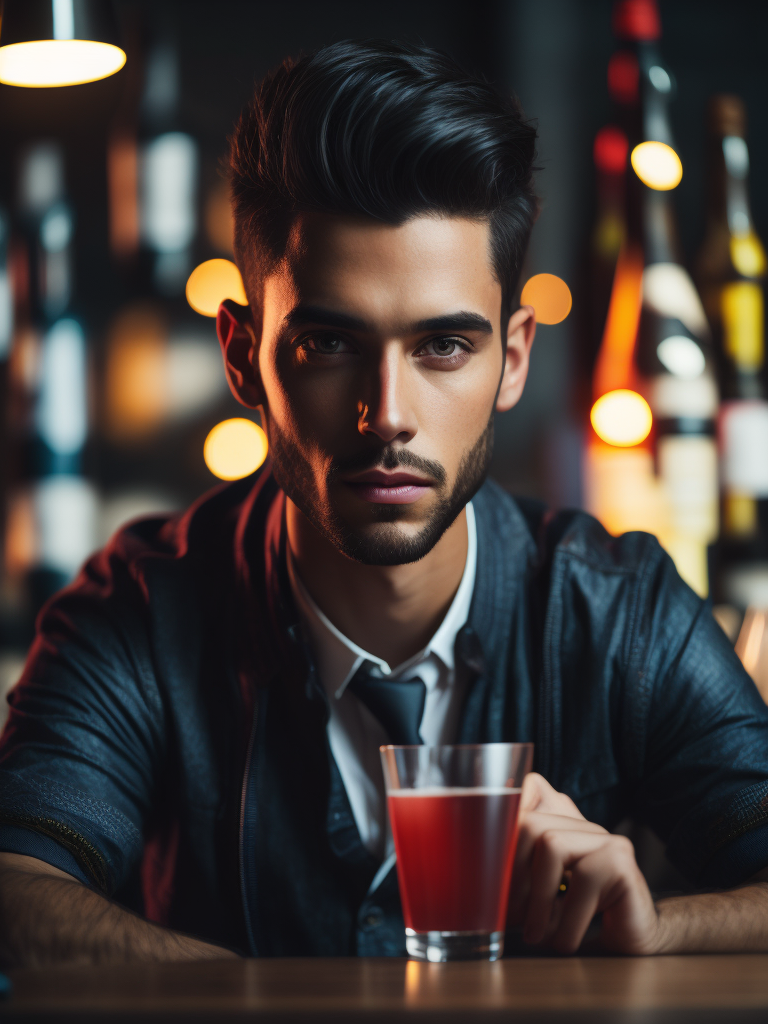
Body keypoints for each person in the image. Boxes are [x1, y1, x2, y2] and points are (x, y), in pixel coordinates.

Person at [2, 39, 768, 968]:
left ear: (513, 359)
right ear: (245, 355)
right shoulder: (141, 613)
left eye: (444, 347)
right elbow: (15, 887)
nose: (388, 417)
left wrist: (654, 928)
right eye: (329, 344)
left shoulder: (620, 614)